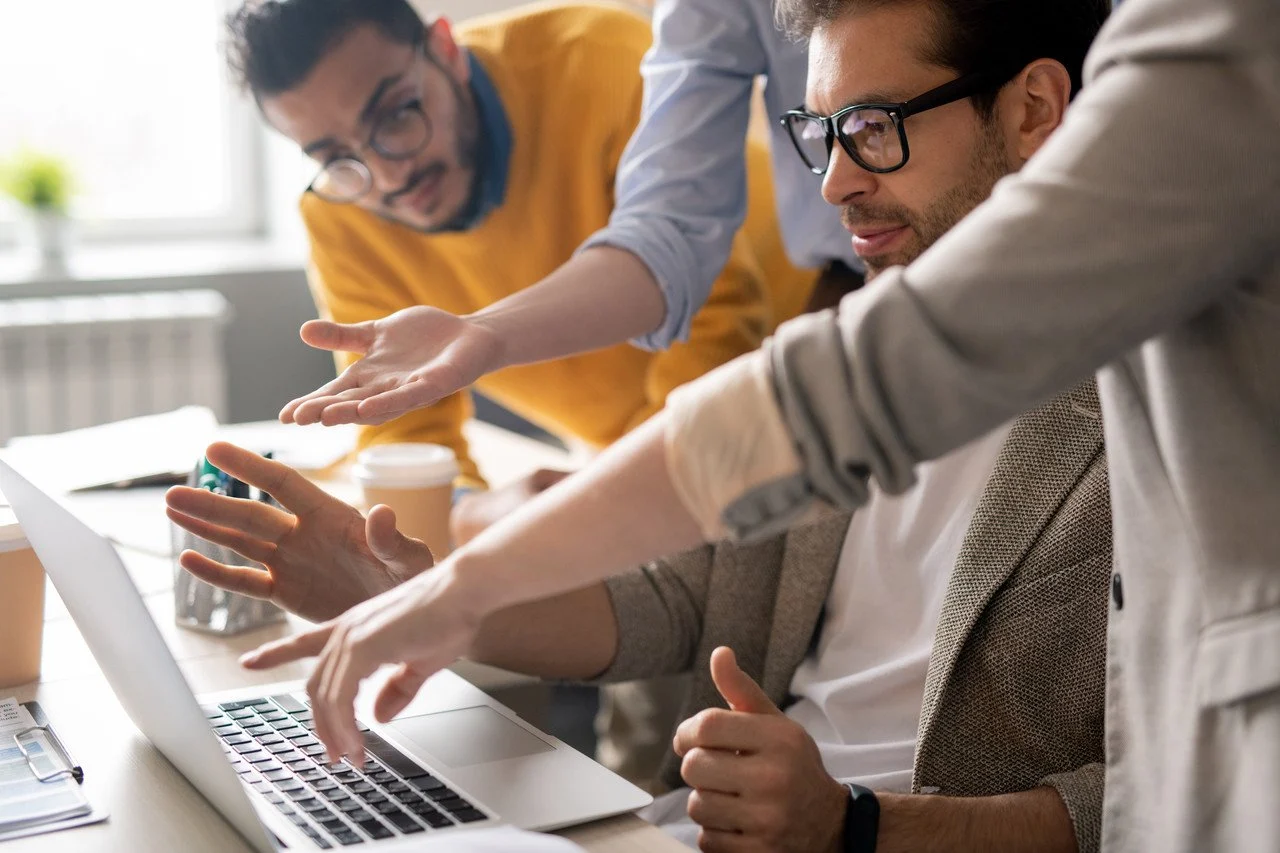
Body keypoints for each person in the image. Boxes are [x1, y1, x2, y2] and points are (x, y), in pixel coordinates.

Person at [236, 0, 1279, 848]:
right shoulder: (848, 312)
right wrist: (415, 595)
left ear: (1034, 108)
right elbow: (675, 593)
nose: (830, 183)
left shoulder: (1157, 380)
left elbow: (1154, 789)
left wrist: (858, 828)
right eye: (817, 132)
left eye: (874, 128)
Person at [225, 0, 816, 515]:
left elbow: (715, 327)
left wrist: (601, 501)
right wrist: (465, 511)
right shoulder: (336, 212)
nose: (387, 175)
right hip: (631, 450)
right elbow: (403, 428)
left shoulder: (595, 55)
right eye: (333, 157)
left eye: (397, 114)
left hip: (806, 357)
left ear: (446, 50)